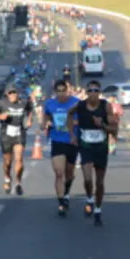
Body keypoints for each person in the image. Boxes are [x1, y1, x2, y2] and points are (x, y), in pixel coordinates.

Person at [67, 80, 118, 226]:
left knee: (100, 182)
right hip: (86, 146)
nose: (94, 93)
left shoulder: (105, 106)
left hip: (101, 147)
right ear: (87, 92)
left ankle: (98, 210)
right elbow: (69, 115)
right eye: (91, 90)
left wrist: (101, 125)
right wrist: (72, 134)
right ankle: (90, 198)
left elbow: (113, 129)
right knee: (88, 178)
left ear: (99, 92)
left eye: (96, 90)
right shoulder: (80, 105)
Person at [42, 79, 80, 216]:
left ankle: (66, 193)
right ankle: (61, 202)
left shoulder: (76, 103)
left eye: (63, 91)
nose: (61, 94)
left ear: (67, 90)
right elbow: (46, 114)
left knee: (69, 174)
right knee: (59, 173)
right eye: (58, 91)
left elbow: (83, 118)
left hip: (72, 141)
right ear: (55, 92)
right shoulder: (50, 104)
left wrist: (71, 122)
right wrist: (44, 123)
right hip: (57, 141)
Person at [0, 83, 33, 195]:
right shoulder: (1, 103)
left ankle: (18, 182)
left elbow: (30, 110)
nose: (12, 95)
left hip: (19, 132)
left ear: (18, 93)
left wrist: (29, 120)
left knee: (19, 158)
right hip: (6, 134)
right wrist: (0, 116)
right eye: (10, 93)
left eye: (14, 92)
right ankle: (7, 178)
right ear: (6, 94)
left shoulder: (24, 102)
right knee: (8, 162)